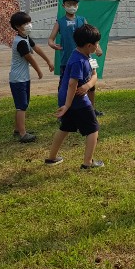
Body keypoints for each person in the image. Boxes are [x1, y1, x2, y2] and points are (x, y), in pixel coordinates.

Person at [45, 24, 104, 169]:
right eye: (96, 44)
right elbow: (72, 84)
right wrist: (67, 105)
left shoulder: (84, 56)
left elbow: (95, 76)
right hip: (76, 101)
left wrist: (87, 86)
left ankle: (52, 158)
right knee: (93, 129)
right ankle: (88, 163)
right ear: (89, 45)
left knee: (66, 127)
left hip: (70, 100)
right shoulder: (78, 61)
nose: (97, 46)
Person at [48, 0, 104, 115]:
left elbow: (92, 35)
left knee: (91, 85)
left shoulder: (82, 20)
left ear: (78, 5)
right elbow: (50, 39)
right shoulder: (60, 22)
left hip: (86, 58)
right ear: (63, 5)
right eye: (69, 4)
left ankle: (91, 109)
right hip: (67, 60)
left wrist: (98, 48)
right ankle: (63, 110)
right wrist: (52, 44)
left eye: (74, 3)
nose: (72, 6)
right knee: (64, 86)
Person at [9, 11, 54, 143]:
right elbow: (30, 58)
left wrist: (48, 61)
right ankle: (23, 134)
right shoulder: (20, 42)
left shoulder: (25, 38)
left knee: (23, 104)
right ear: (17, 27)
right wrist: (39, 71)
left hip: (23, 77)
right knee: (21, 105)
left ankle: (18, 129)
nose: (29, 25)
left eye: (29, 22)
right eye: (25, 23)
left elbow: (37, 49)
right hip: (18, 79)